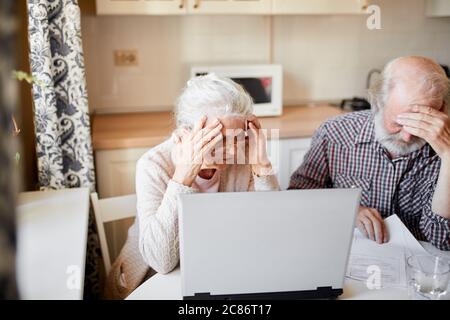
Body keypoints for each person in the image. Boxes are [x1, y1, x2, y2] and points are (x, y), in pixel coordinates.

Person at [105, 74, 279, 298]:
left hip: (217, 271)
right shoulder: (154, 164)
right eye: (220, 139)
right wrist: (184, 175)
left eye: (239, 137)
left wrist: (262, 164)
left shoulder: (243, 157)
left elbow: (271, 232)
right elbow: (161, 262)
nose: (234, 151)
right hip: (152, 281)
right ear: (186, 134)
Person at [289, 56, 450, 250]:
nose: (407, 137)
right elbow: (297, 200)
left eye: (419, 125)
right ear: (377, 103)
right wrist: (346, 210)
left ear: (442, 110)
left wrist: (448, 157)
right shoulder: (335, 133)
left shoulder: (443, 145)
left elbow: (442, 240)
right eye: (398, 124)